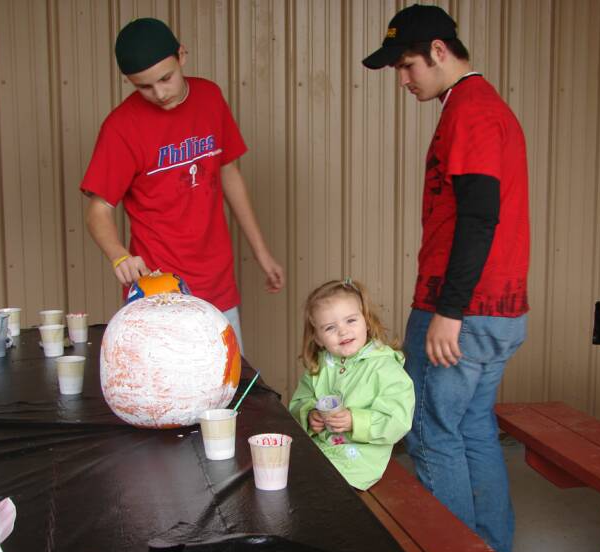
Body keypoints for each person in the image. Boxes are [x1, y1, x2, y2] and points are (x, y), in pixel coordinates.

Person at [362, 5, 530, 552]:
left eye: (407, 66)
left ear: (439, 51)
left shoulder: (472, 112)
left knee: (433, 432)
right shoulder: (477, 107)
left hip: (464, 311)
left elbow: (481, 216)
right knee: (474, 427)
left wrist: (449, 311)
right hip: (496, 311)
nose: (404, 81)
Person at [80, 17, 284, 349]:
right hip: (158, 292)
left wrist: (261, 253)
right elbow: (97, 211)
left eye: (166, 78)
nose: (159, 93)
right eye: (143, 87)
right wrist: (119, 255)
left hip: (217, 281)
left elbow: (229, 175)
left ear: (182, 55)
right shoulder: (121, 127)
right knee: (166, 393)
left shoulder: (210, 98)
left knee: (226, 387)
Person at [289, 279, 414, 490]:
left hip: (358, 461)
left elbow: (398, 421)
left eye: (351, 321)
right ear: (318, 338)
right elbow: (299, 401)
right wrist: (310, 415)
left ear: (366, 321)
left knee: (314, 490)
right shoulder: (321, 366)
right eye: (330, 327)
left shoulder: (384, 368)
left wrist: (355, 421)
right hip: (319, 449)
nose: (343, 332)